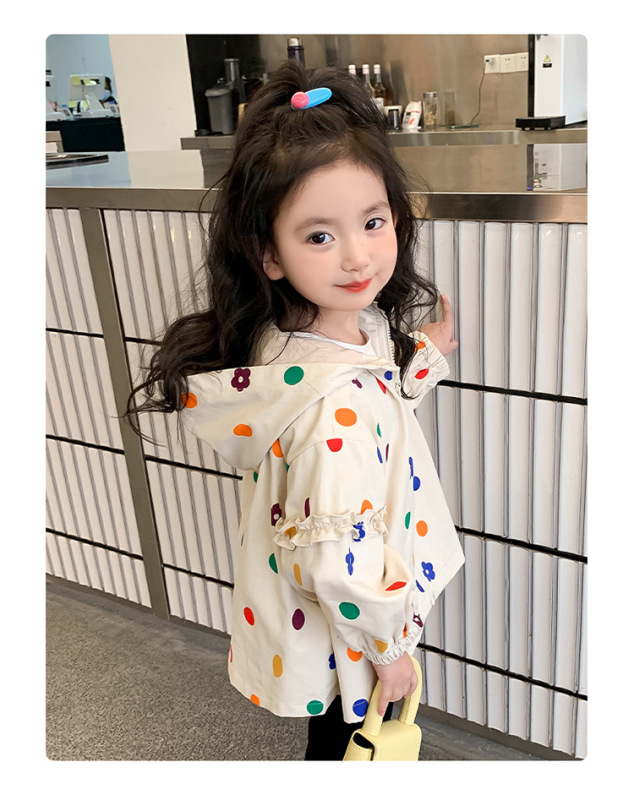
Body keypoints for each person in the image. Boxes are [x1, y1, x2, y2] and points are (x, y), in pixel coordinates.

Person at [126, 60, 465, 760]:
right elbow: (336, 557)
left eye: (373, 222)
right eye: (319, 236)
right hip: (356, 624)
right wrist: (390, 649)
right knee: (347, 747)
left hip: (336, 617)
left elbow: (374, 387)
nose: (358, 257)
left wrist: (423, 357)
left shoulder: (317, 333)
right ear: (269, 255)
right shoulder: (330, 408)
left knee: (338, 738)